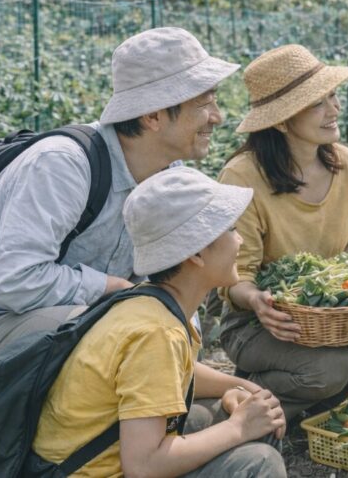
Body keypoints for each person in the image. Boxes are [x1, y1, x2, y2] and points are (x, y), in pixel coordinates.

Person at [0, 27, 240, 406]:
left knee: (144, 340)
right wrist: (113, 289)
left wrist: (183, 350)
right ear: (153, 115)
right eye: (204, 103)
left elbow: (171, 284)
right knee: (114, 334)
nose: (217, 117)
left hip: (58, 329)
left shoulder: (169, 174)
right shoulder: (62, 166)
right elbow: (13, 281)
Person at [32, 166, 287, 477]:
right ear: (196, 253)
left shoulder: (146, 303)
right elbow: (143, 467)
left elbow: (174, 371)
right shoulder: (156, 333)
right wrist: (239, 428)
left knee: (216, 413)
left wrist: (241, 386)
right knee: (258, 462)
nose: (240, 241)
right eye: (231, 229)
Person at [216, 44, 348, 422]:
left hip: (328, 314)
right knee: (328, 369)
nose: (334, 109)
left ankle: (307, 413)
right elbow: (234, 276)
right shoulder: (243, 177)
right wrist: (257, 301)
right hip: (258, 322)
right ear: (281, 121)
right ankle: (242, 405)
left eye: (332, 95)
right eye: (318, 102)